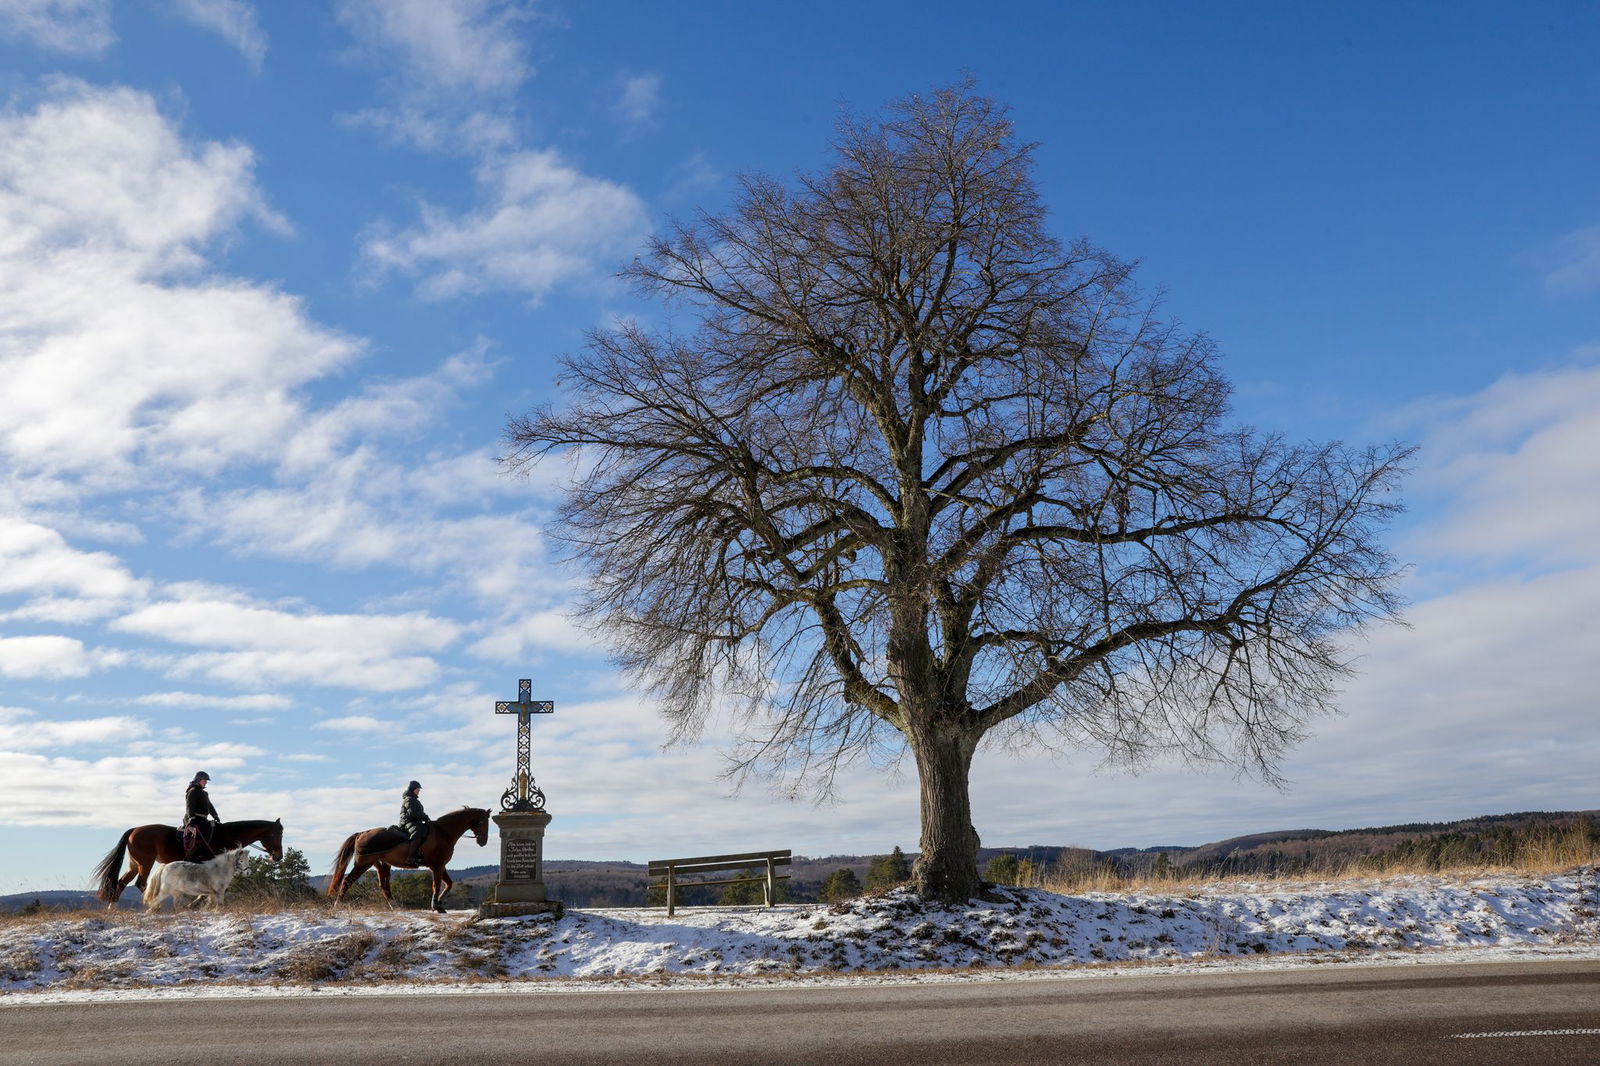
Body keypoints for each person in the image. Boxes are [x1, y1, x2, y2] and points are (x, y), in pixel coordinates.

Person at [181, 771, 221, 860]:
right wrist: (191, 817)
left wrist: (215, 815)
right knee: (199, 835)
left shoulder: (205, 793)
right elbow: (189, 805)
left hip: (203, 819)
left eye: (206, 781)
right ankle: (190, 856)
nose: (206, 782)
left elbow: (209, 805)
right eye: (204, 780)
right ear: (198, 780)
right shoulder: (192, 791)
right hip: (193, 818)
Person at [400, 780, 430, 866]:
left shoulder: (414, 799)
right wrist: (424, 817)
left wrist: (426, 817)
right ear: (413, 789)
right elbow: (412, 813)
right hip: (407, 822)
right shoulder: (409, 799)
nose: (419, 791)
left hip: (414, 821)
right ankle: (410, 858)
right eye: (418, 789)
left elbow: (418, 812)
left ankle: (420, 854)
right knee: (418, 832)